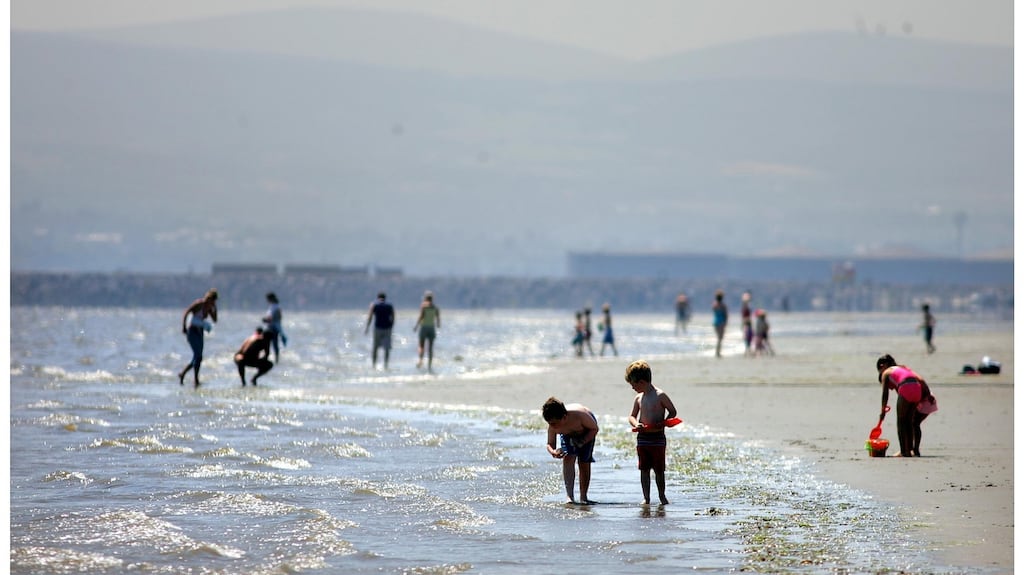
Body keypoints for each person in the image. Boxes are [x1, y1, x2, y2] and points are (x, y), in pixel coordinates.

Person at [626, 360, 677, 505]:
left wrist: (665, 422)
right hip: (643, 437)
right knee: (644, 469)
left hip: (658, 437)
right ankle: (646, 497)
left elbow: (673, 411)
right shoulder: (638, 398)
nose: (632, 388)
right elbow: (631, 416)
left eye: (633, 385)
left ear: (641, 382)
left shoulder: (660, 395)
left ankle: (662, 496)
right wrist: (637, 424)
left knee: (659, 470)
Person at [542, 397, 600, 504]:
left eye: (554, 423)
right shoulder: (553, 425)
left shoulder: (579, 416)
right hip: (568, 435)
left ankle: (584, 496)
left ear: (564, 417)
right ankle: (570, 496)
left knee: (584, 462)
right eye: (550, 423)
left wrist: (583, 441)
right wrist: (553, 452)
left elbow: (594, 429)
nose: (552, 426)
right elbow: (550, 444)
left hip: (587, 431)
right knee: (568, 458)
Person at [876, 354, 934, 457]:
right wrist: (928, 393)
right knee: (909, 422)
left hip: (906, 386)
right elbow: (919, 378)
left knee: (901, 421)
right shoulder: (903, 368)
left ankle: (904, 451)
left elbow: (885, 394)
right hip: (917, 387)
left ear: (882, 366)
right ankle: (910, 450)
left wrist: (882, 411)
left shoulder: (886, 373)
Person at [178, 288, 218, 388]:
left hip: (200, 332)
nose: (212, 302)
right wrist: (183, 326)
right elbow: (186, 312)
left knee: (199, 357)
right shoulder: (199, 303)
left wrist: (214, 309)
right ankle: (186, 375)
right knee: (197, 355)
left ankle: (192, 378)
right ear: (209, 298)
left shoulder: (210, 307)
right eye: (212, 300)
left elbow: (215, 320)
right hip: (192, 331)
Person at [364, 292, 395, 369]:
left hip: (377, 328)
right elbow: (393, 317)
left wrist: (367, 327)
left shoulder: (374, 305)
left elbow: (370, 317)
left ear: (378, 297)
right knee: (387, 348)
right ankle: (386, 365)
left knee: (375, 347)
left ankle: (374, 365)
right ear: (385, 297)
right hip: (387, 328)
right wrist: (391, 326)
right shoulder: (389, 305)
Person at [413, 291, 441, 371]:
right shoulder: (435, 307)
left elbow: (421, 316)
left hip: (424, 327)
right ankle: (429, 365)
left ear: (425, 298)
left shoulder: (424, 306)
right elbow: (438, 318)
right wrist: (438, 325)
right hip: (431, 328)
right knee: (431, 347)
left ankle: (421, 360)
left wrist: (416, 326)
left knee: (421, 345)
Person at [262, 292, 287, 363]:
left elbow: (274, 317)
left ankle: (274, 359)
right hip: (272, 327)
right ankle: (274, 359)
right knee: (272, 344)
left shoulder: (275, 307)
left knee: (271, 343)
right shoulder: (273, 306)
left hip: (273, 328)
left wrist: (266, 320)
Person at [711, 290, 728, 358]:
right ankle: (717, 352)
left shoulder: (714, 305)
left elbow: (714, 311)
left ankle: (717, 352)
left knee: (719, 338)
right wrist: (725, 323)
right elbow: (726, 315)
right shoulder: (723, 306)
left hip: (715, 321)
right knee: (720, 338)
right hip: (721, 322)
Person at [740, 292, 753, 356]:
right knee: (747, 337)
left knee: (748, 337)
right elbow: (744, 317)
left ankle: (747, 351)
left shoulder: (746, 307)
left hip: (747, 323)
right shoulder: (745, 308)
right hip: (746, 324)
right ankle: (747, 351)